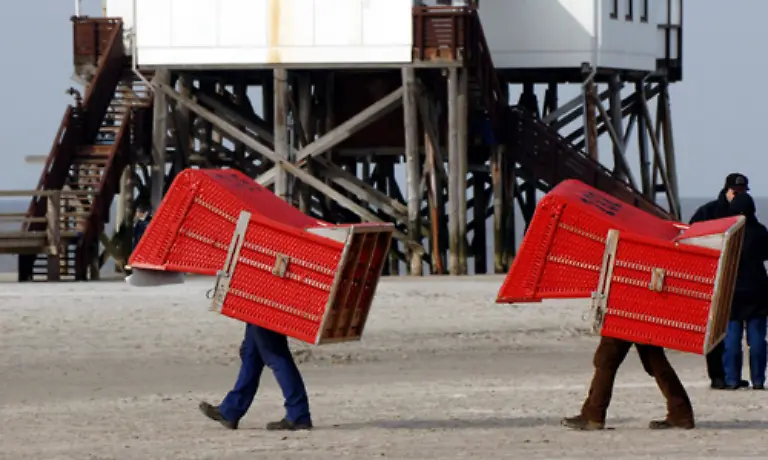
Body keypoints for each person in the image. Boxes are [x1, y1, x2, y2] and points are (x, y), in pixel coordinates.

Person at [689, 172, 750, 389]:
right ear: (727, 190)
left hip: (737, 280)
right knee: (715, 329)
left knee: (732, 331)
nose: (738, 195)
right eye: (735, 192)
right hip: (712, 276)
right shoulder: (709, 211)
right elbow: (691, 236)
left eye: (742, 192)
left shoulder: (746, 213)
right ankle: (716, 375)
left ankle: (731, 374)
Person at [561, 336, 695, 430]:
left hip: (629, 309)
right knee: (655, 361)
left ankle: (593, 414)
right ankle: (681, 412)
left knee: (606, 359)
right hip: (641, 310)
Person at [199, 324, 313, 431]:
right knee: (251, 353)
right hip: (260, 307)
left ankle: (298, 413)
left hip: (265, 307)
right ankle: (231, 410)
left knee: (274, 353)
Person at [722, 193, 768, 390]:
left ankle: (732, 379)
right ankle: (758, 380)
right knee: (757, 338)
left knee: (732, 337)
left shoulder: (728, 233)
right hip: (757, 288)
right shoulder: (760, 231)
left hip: (732, 288)